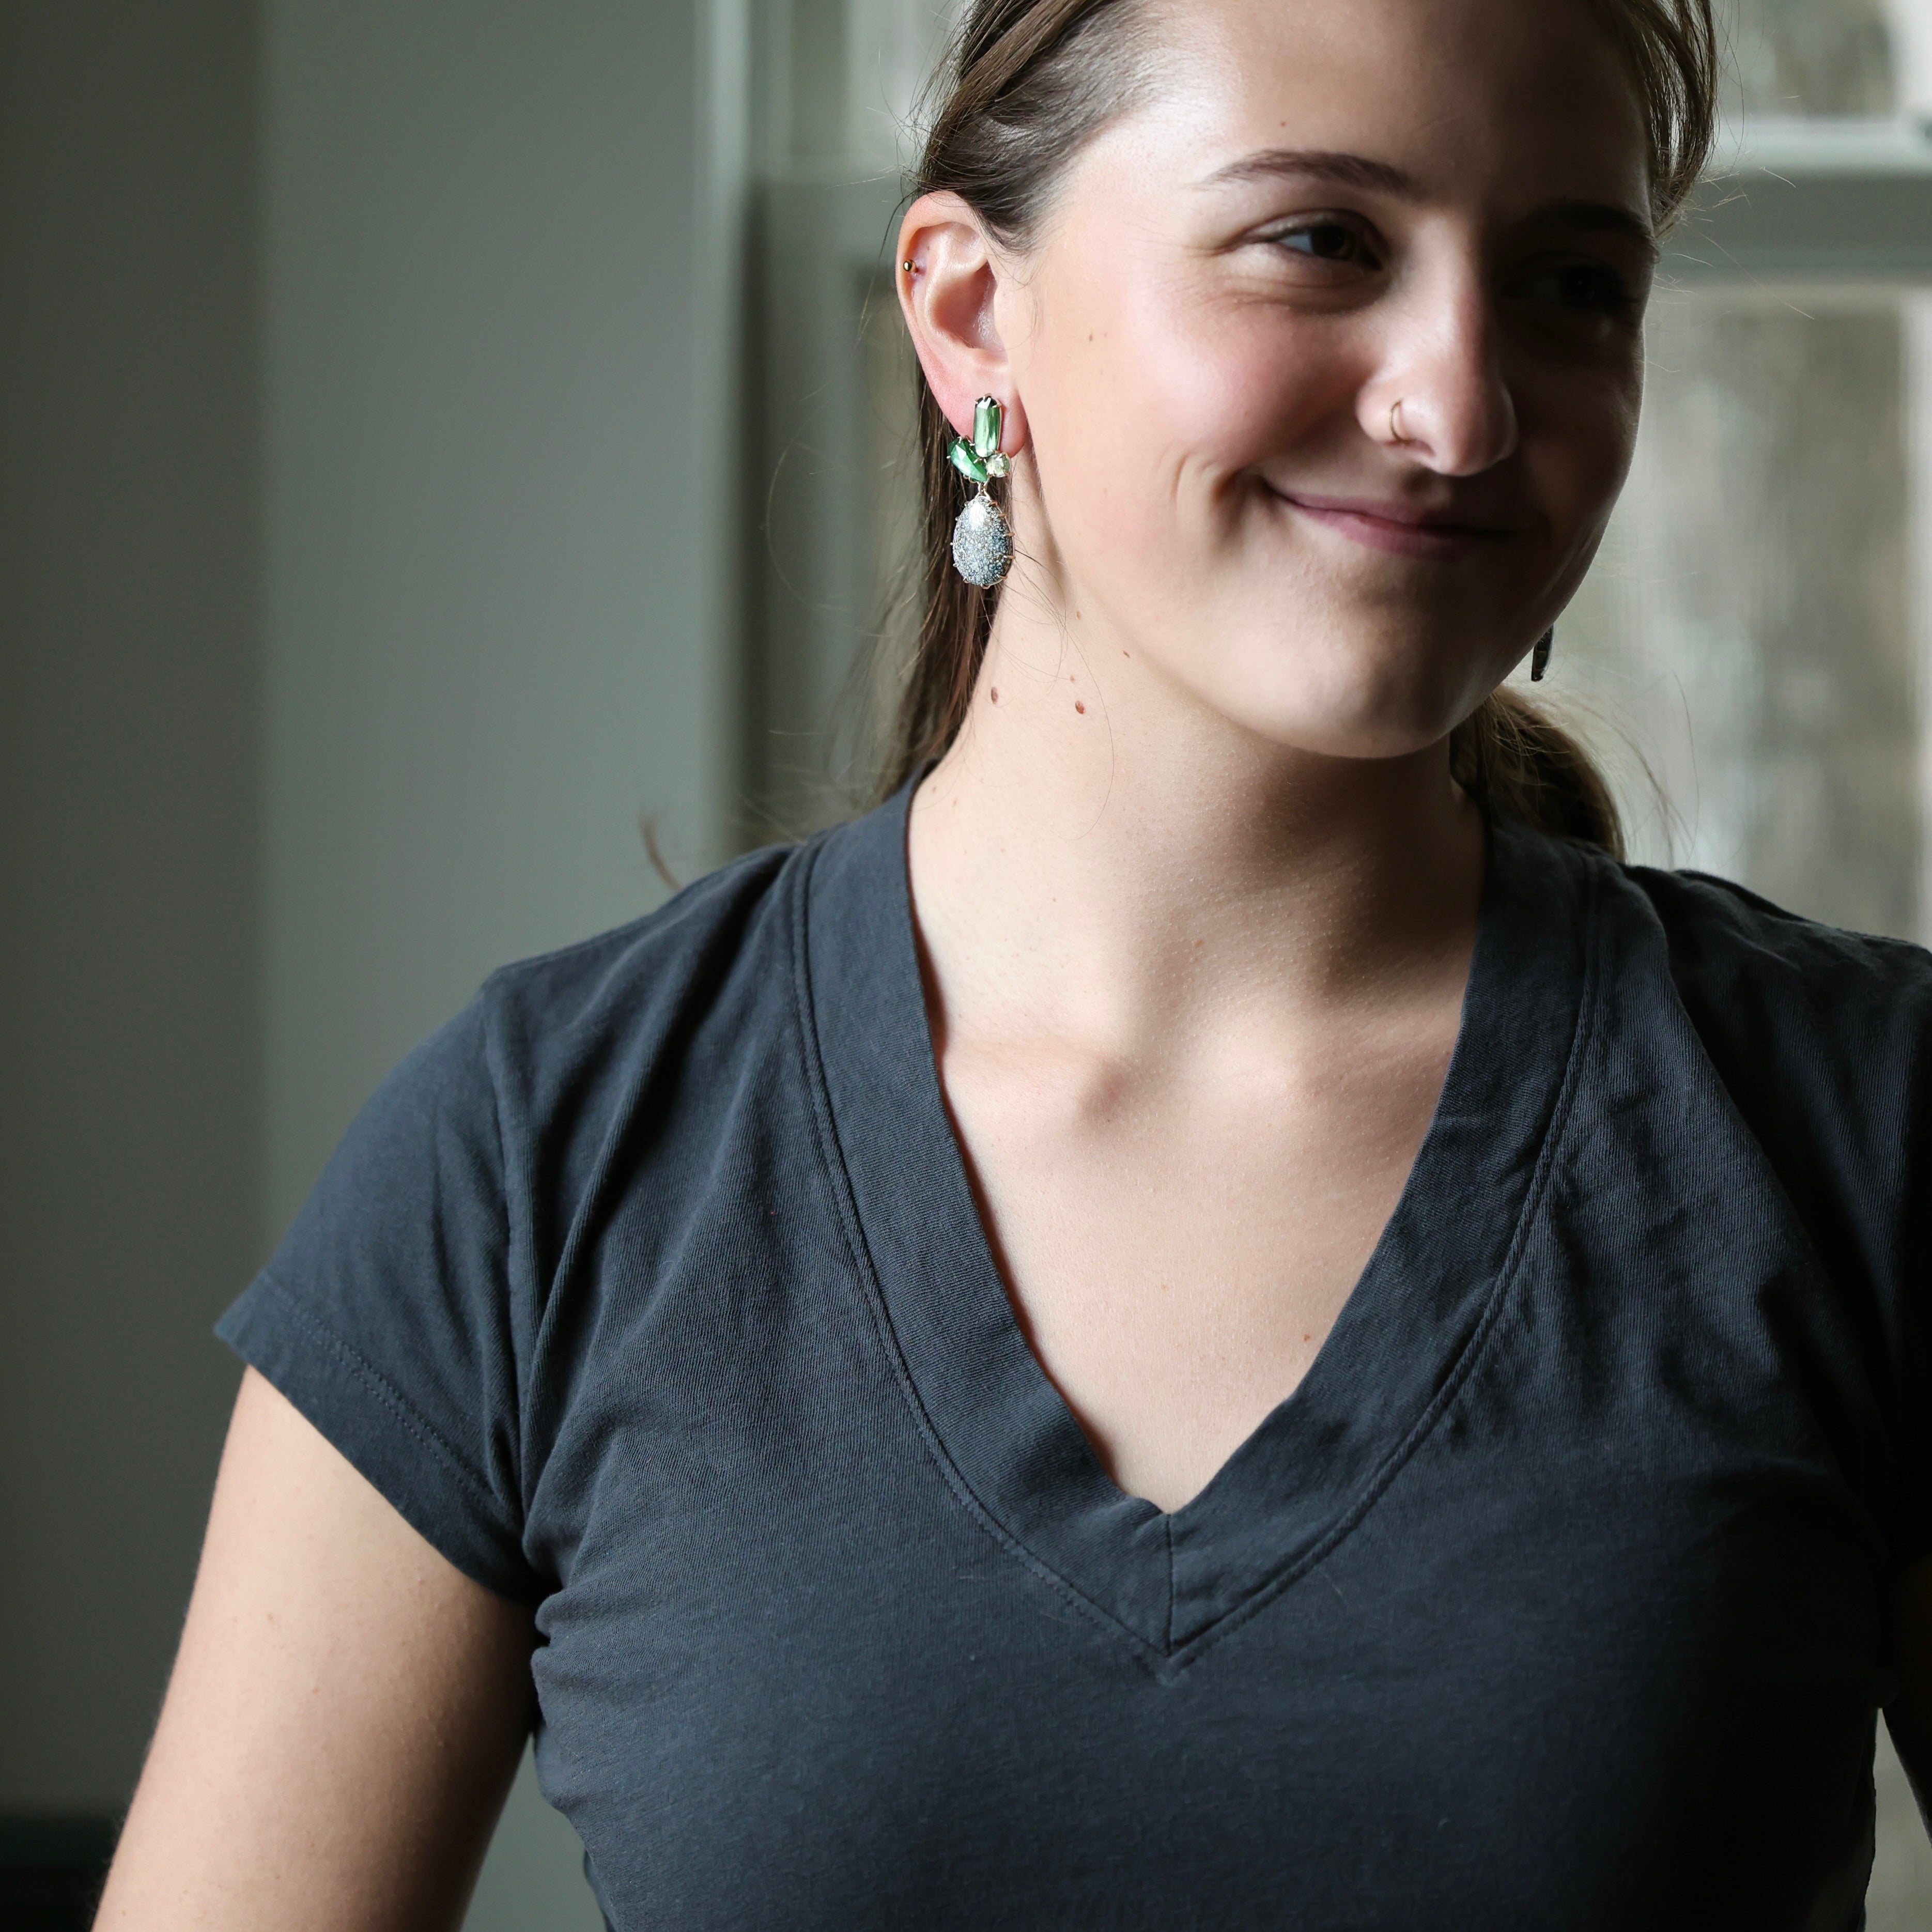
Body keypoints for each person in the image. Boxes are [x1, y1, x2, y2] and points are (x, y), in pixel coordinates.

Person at [98, 0, 1932, 1924]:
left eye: (1570, 282)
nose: (1459, 410)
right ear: (971, 312)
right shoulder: (532, 1164)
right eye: (1320, 239)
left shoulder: (1861, 1134)